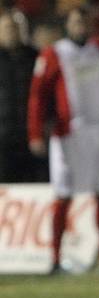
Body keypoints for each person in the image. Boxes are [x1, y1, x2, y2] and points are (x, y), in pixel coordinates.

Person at [27, 6, 99, 273]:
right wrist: (35, 132)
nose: (82, 26)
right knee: (63, 194)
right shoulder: (54, 53)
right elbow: (37, 96)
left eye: (85, 22)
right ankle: (54, 259)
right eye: (77, 22)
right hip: (69, 135)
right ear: (67, 25)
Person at [0, 10, 40, 181]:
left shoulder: (37, 57)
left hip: (31, 136)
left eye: (16, 27)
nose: (12, 32)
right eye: (7, 28)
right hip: (3, 136)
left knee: (35, 184)